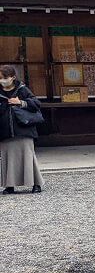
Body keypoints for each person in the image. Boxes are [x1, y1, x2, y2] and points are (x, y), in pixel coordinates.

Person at [0, 64, 44, 194]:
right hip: (4, 131)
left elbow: (36, 104)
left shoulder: (22, 89)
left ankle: (36, 184)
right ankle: (9, 186)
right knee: (7, 158)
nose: (2, 80)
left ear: (13, 77)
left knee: (28, 157)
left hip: (24, 130)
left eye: (4, 77)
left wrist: (20, 102)